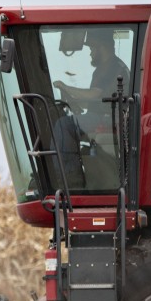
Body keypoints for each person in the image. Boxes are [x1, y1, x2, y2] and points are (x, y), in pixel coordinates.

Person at [51, 30, 130, 187]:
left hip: (111, 119)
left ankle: (70, 175)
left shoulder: (113, 67)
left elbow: (94, 94)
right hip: (104, 116)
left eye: (92, 49)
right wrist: (72, 102)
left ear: (103, 47)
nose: (91, 54)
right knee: (67, 122)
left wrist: (65, 86)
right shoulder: (104, 69)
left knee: (63, 125)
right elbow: (95, 101)